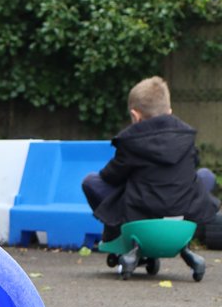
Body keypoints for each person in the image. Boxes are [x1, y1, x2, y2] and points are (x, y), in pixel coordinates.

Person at [82, 75, 222, 244]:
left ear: (135, 116)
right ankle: (186, 233)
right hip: (182, 212)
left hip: (142, 216)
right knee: (206, 175)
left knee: (91, 181)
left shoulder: (130, 142)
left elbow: (110, 177)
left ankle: (117, 233)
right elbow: (194, 165)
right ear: (169, 112)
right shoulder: (187, 137)